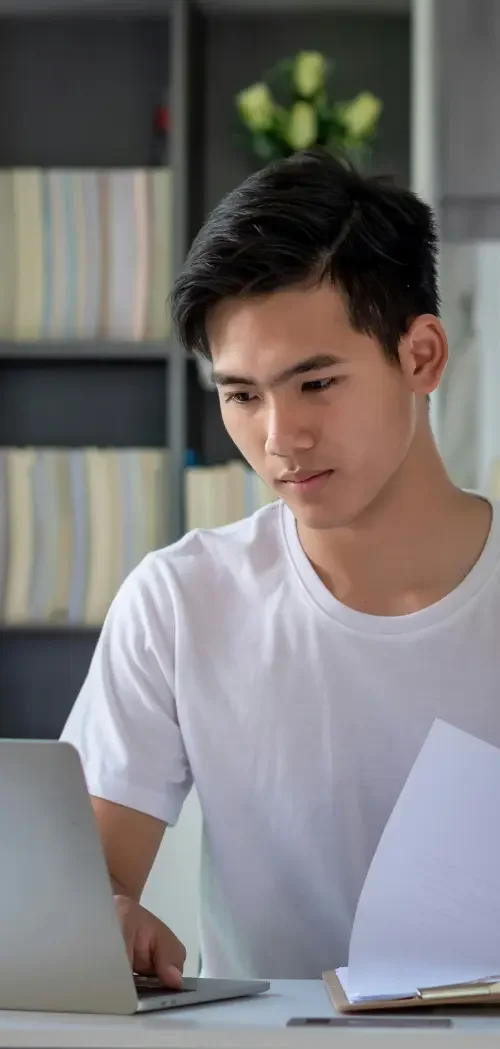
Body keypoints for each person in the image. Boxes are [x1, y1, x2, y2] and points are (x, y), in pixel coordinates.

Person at [61, 148, 499, 991]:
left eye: (316, 382)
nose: (277, 438)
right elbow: (82, 892)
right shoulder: (183, 601)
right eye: (242, 394)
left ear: (422, 357)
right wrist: (105, 918)